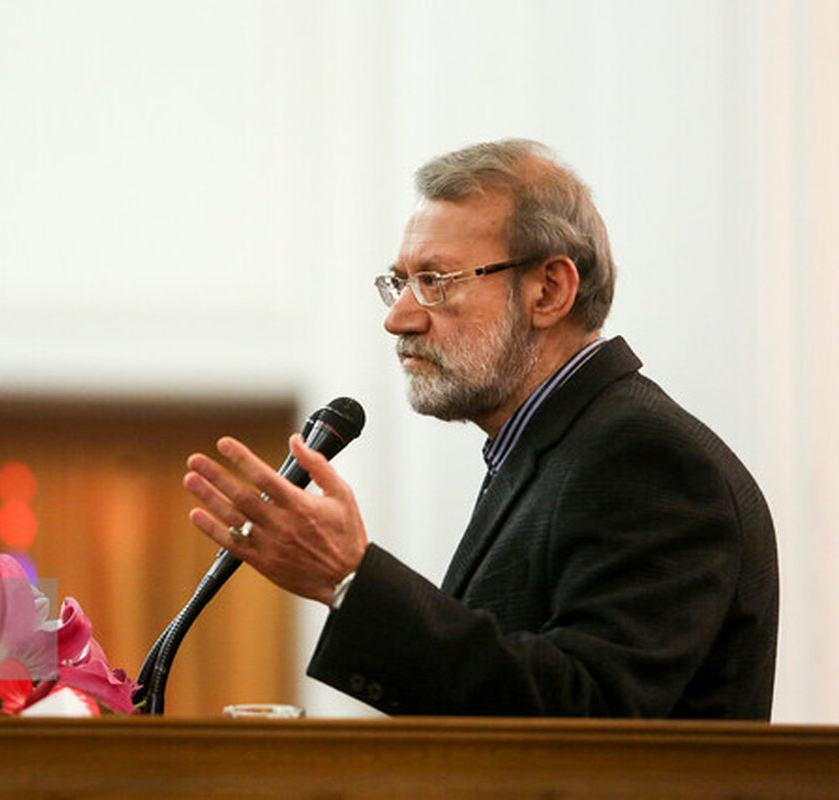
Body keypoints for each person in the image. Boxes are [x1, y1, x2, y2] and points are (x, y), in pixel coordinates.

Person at [183, 138, 778, 719]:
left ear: (549, 291)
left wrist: (351, 579)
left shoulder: (643, 458)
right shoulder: (554, 448)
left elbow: (590, 719)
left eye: (435, 281)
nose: (399, 318)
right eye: (400, 282)